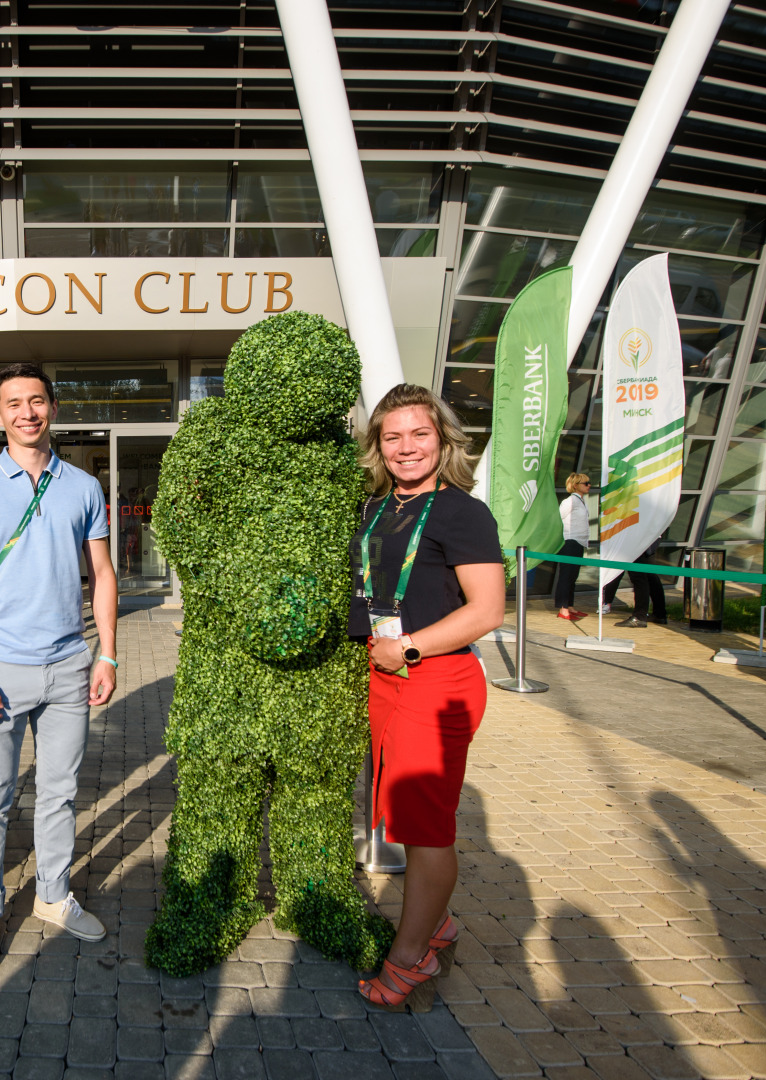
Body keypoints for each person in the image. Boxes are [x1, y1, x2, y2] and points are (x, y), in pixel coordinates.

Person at [0, 363, 119, 977]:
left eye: (37, 400)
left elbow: (102, 574)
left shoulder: (83, 486)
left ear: (52, 408)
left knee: (60, 793)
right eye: (13, 403)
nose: (27, 412)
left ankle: (51, 895)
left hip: (70, 664)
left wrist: (108, 652)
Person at [350, 384, 505, 1013]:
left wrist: (409, 647)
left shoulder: (462, 512)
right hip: (382, 675)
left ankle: (412, 956)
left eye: (419, 434)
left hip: (434, 680)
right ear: (378, 447)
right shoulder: (378, 508)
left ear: (443, 440)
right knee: (397, 812)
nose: (406, 448)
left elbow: (488, 610)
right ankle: (434, 923)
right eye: (393, 437)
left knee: (425, 829)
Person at [552, 472, 591, 621]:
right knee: (566, 575)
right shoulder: (569, 501)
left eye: (588, 483)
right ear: (575, 486)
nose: (589, 485)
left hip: (579, 542)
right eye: (585, 483)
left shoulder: (581, 501)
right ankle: (563, 608)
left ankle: (570, 606)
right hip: (570, 541)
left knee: (573, 576)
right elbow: (558, 519)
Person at [613, 538, 668, 629]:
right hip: (651, 538)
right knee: (650, 576)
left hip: (641, 538)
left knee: (638, 576)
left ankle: (639, 617)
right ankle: (659, 614)